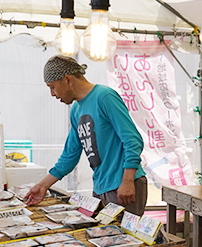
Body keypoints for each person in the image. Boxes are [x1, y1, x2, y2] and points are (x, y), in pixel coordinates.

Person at [25, 55, 147, 215]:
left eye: (53, 87)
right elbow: (69, 156)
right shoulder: (76, 110)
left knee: (126, 239)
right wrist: (42, 186)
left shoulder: (104, 97)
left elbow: (133, 140)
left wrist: (127, 181)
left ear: (68, 80)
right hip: (101, 187)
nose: (52, 94)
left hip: (124, 186)